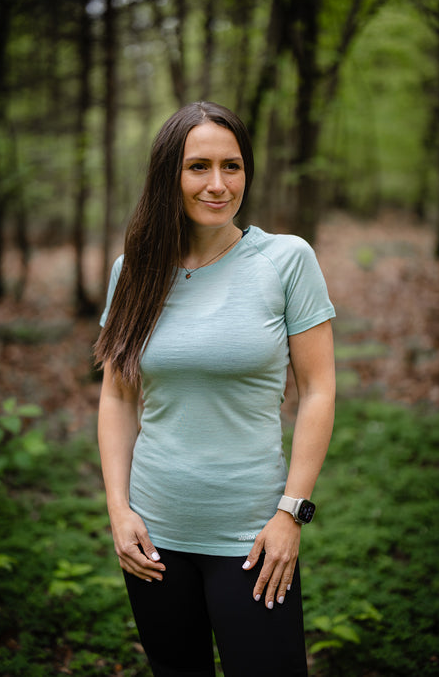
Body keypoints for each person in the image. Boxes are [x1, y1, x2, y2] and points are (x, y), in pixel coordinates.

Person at [95, 101, 336, 677]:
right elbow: (117, 398)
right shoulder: (134, 271)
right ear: (168, 176)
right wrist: (118, 510)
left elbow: (319, 390)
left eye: (232, 166)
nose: (218, 184)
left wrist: (291, 514)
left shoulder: (286, 260)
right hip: (154, 535)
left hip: (253, 536)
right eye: (198, 167)